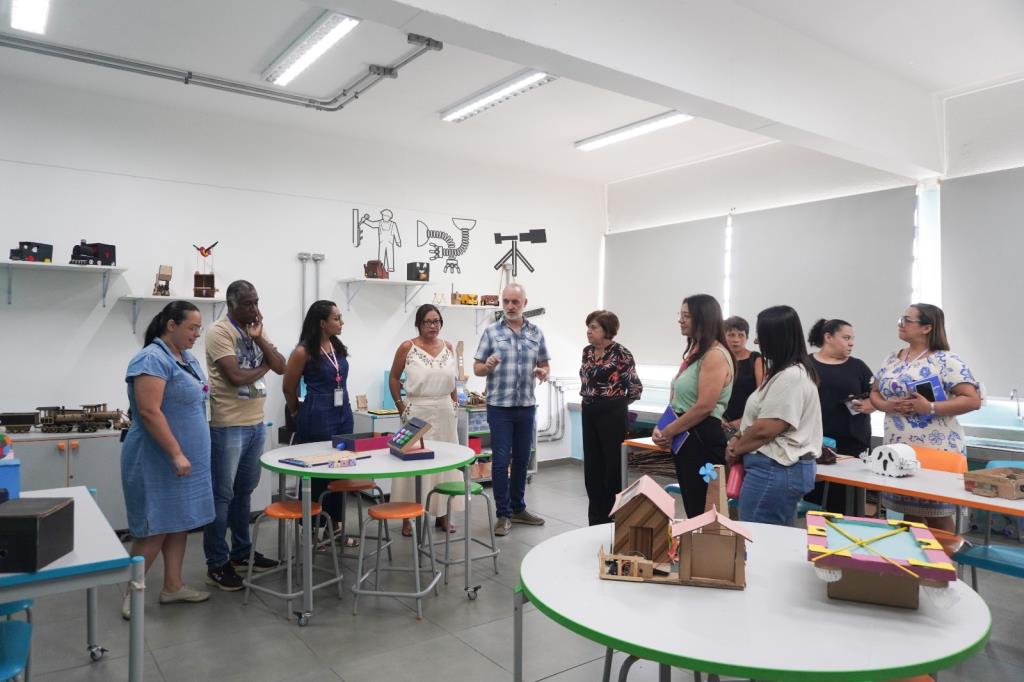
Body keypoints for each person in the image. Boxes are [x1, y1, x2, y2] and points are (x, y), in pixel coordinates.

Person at [120, 301, 214, 619]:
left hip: (186, 461)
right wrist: (175, 452)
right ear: (171, 325)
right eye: (192, 327)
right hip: (157, 458)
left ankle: (173, 586)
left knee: (179, 523)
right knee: (154, 528)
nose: (196, 334)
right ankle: (131, 593)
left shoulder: (186, 359)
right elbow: (149, 411)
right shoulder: (151, 359)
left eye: (199, 328)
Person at [203, 280, 286, 591]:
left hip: (255, 423)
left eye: (256, 302)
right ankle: (217, 562)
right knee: (222, 496)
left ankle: (241, 551)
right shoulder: (219, 332)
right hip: (227, 424)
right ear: (231, 305)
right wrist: (265, 365)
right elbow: (236, 376)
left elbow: (281, 366)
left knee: (244, 492)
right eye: (248, 304)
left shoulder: (256, 329)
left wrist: (260, 339)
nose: (255, 309)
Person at [869, 304, 981, 533]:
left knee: (937, 514)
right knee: (911, 514)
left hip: (936, 449)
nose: (901, 324)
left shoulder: (945, 361)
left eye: (907, 320)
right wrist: (885, 405)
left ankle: (946, 557)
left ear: (927, 327)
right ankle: (917, 556)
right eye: (901, 319)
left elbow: (972, 400)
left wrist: (929, 407)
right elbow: (874, 392)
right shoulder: (892, 358)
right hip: (899, 448)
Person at [726, 306, 822, 526]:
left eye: (760, 335)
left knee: (757, 535)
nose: (757, 341)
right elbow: (758, 420)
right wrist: (738, 437)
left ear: (775, 338)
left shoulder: (791, 376)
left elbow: (767, 428)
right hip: (774, 469)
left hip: (775, 469)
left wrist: (735, 449)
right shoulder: (782, 373)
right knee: (774, 536)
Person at [474, 283, 550, 537]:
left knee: (522, 459)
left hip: (526, 406)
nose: (509, 306)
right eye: (506, 301)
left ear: (524, 304)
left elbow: (545, 365)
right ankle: (503, 514)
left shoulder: (536, 333)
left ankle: (519, 508)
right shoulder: (491, 332)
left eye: (515, 302)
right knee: (500, 461)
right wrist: (487, 366)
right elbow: (477, 368)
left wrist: (543, 372)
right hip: (500, 407)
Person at [653, 294, 734, 520]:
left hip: (702, 438)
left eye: (686, 316)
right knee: (693, 505)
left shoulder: (715, 355)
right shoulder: (696, 353)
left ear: (703, 318)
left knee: (705, 510)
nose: (680, 320)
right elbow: (679, 401)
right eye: (680, 315)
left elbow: (704, 406)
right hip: (686, 437)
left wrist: (669, 431)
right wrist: (661, 427)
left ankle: (703, 544)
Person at [388, 304, 464, 536]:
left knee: (445, 462)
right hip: (417, 411)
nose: (433, 326)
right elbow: (394, 378)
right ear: (418, 324)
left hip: (444, 411)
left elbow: (452, 379)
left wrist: (454, 401)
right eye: (428, 322)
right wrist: (401, 407)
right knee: (412, 464)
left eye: (436, 321)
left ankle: (442, 514)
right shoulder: (407, 347)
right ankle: (407, 516)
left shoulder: (448, 347)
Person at [283, 300, 354, 535]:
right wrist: (297, 413)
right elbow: (288, 388)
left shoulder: (336, 346)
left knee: (340, 468)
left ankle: (336, 528)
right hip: (318, 414)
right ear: (322, 323)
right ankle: (313, 531)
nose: (342, 322)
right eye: (337, 318)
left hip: (343, 412)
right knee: (318, 472)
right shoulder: (302, 351)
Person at [804, 318, 875, 512]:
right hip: (815, 443)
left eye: (852, 339)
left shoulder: (858, 366)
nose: (851, 343)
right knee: (814, 502)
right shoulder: (806, 365)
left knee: (846, 504)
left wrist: (869, 405)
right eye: (846, 338)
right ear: (828, 337)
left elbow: (876, 397)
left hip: (852, 445)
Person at [579, 310, 643, 525]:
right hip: (589, 410)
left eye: (593, 327)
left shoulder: (621, 353)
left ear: (607, 330)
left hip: (612, 412)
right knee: (592, 468)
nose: (588, 331)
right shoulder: (587, 352)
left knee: (612, 468)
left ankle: (615, 519)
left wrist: (614, 404)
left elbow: (634, 389)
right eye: (588, 327)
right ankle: (595, 520)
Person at [721, 316, 764, 431]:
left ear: (747, 338)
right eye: (731, 335)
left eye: (741, 335)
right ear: (724, 337)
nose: (736, 340)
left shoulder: (756, 359)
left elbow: (762, 396)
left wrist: (742, 421)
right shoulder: (720, 358)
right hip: (720, 422)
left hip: (747, 423)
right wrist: (718, 417)